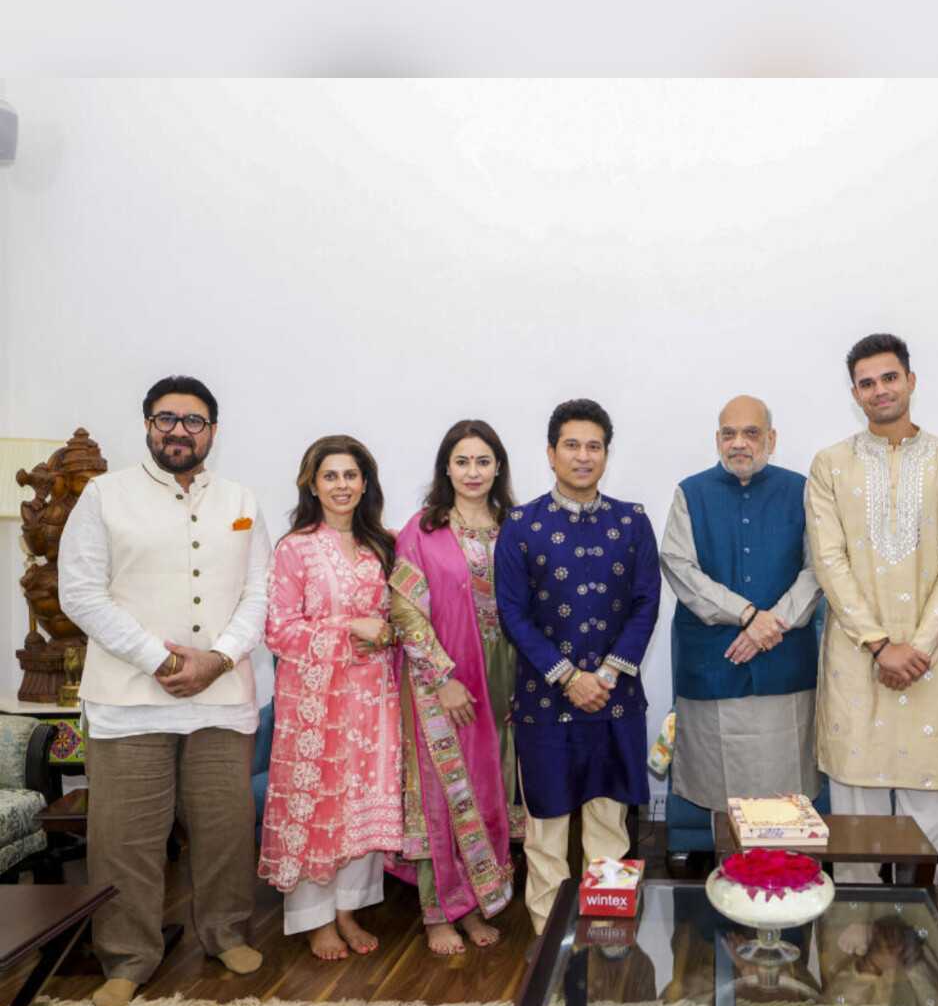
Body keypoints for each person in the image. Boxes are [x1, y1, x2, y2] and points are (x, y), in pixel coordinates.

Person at [56, 374, 270, 1006]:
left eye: (193, 420)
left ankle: (226, 933)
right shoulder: (104, 495)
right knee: (125, 837)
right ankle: (127, 956)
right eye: (166, 419)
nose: (179, 430)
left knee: (225, 828)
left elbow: (258, 592)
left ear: (212, 431)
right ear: (148, 424)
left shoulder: (240, 499)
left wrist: (219, 659)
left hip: (221, 695)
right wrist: (160, 659)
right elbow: (80, 593)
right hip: (129, 697)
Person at [806, 333, 938, 883]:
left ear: (910, 380)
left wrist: (918, 648)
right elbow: (828, 561)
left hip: (927, 662)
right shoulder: (830, 465)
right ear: (854, 394)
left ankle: (925, 928)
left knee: (925, 820)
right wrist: (881, 645)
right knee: (855, 820)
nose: (879, 390)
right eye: (867, 383)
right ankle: (853, 930)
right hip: (856, 658)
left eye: (889, 378)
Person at [495, 398, 661, 936]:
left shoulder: (632, 522)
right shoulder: (521, 525)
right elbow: (513, 613)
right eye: (572, 445)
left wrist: (606, 676)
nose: (583, 456)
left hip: (615, 700)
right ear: (551, 453)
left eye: (594, 446)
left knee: (610, 824)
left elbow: (646, 603)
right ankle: (548, 940)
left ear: (606, 454)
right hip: (545, 703)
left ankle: (605, 936)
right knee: (545, 830)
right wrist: (568, 676)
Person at [259, 436, 404, 960]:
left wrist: (386, 633)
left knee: (362, 800)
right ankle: (314, 918)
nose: (342, 485)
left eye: (351, 475)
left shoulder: (383, 544)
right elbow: (278, 630)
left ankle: (348, 909)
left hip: (373, 697)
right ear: (313, 485)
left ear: (365, 484)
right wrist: (348, 630)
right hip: (315, 704)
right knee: (318, 801)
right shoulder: (295, 548)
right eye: (331, 476)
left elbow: (400, 618)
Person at [660, 394, 822, 828]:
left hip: (784, 667)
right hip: (713, 665)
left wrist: (772, 623)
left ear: (771, 438)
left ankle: (784, 871)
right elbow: (678, 566)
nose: (739, 443)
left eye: (751, 433)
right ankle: (728, 870)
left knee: (786, 798)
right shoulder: (691, 493)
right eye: (729, 434)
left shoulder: (801, 490)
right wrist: (748, 614)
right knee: (720, 797)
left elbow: (819, 569)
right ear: (717, 439)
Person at [388, 420, 516, 955]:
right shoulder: (423, 529)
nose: (472, 472)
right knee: (442, 795)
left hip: (502, 678)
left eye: (483, 461)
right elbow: (405, 611)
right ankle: (438, 912)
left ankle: (480, 902)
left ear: (498, 467)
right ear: (447, 467)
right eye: (462, 461)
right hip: (439, 682)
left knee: (489, 791)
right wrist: (443, 679)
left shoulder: (514, 526)